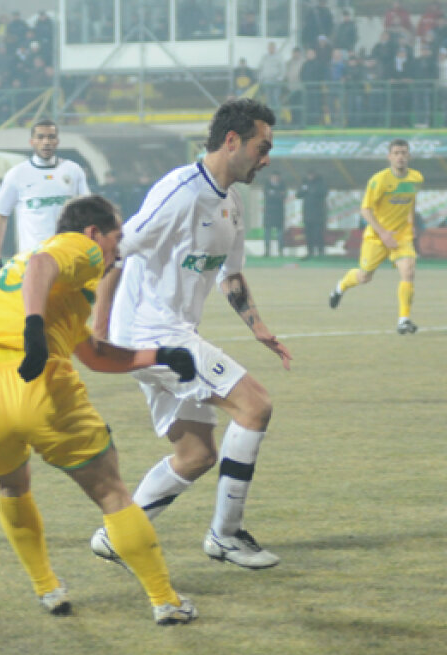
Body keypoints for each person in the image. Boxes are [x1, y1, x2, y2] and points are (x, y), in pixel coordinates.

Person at [0, 194, 199, 625]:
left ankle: (47, 587)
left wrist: (160, 355)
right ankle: (166, 601)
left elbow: (95, 354)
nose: (117, 252)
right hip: (37, 383)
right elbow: (44, 263)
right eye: (116, 239)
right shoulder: (75, 248)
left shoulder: (45, 287)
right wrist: (33, 332)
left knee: (12, 488)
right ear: (93, 233)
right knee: (111, 493)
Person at [93, 98, 291, 572]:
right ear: (232, 141)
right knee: (255, 405)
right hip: (149, 335)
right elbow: (115, 250)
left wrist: (258, 326)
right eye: (262, 147)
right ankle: (225, 536)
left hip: (171, 332)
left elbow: (230, 275)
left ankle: (119, 535)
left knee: (197, 454)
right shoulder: (180, 192)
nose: (267, 159)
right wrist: (99, 332)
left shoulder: (232, 203)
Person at [328, 139, 424, 334]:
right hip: (377, 237)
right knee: (364, 277)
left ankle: (403, 320)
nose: (400, 157)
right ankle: (341, 286)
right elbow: (365, 210)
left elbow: (411, 202)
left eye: (403, 153)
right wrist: (383, 233)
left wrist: (411, 224)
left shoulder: (416, 178)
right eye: (396, 153)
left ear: (409, 156)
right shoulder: (379, 180)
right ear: (389, 157)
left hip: (401, 236)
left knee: (408, 271)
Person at [0, 119, 89, 285]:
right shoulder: (17, 174)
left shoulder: (73, 170)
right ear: (32, 141)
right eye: (41, 137)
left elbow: (87, 212)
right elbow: (1, 215)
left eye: (51, 137)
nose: (46, 142)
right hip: (32, 259)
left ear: (57, 141)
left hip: (67, 256)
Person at [297, 172, 328, 258]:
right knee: (308, 235)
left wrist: (313, 191)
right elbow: (298, 194)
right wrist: (305, 190)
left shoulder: (320, 184)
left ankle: (321, 251)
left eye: (312, 175)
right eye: (309, 175)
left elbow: (324, 193)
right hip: (307, 215)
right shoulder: (304, 184)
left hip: (318, 215)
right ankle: (310, 252)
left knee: (318, 234)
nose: (310, 176)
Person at [262, 172, 286, 257]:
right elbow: (268, 196)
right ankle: (267, 251)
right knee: (267, 233)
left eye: (276, 177)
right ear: (271, 177)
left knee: (280, 233)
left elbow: (283, 196)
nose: (275, 179)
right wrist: (278, 194)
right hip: (269, 214)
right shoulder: (267, 186)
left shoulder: (283, 186)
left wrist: (274, 194)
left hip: (279, 213)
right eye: (273, 177)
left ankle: (280, 251)